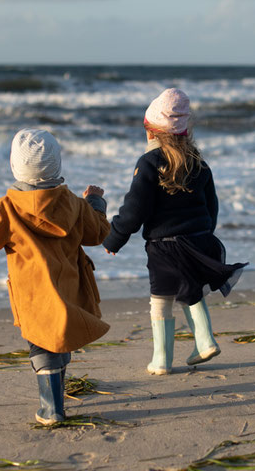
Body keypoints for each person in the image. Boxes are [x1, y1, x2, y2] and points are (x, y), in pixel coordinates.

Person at [0, 128, 110, 425]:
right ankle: (57, 399)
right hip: (68, 285)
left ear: (15, 166)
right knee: (60, 337)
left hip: (33, 294)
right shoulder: (75, 204)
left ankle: (52, 409)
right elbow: (98, 232)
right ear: (58, 166)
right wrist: (96, 203)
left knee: (41, 343)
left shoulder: (7, 208)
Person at [103, 88, 247, 375]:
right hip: (197, 240)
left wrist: (114, 238)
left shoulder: (149, 163)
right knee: (190, 292)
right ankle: (204, 341)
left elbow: (135, 208)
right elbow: (211, 205)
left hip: (164, 247)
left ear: (152, 132)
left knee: (160, 302)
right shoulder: (199, 163)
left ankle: (162, 360)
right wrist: (203, 234)